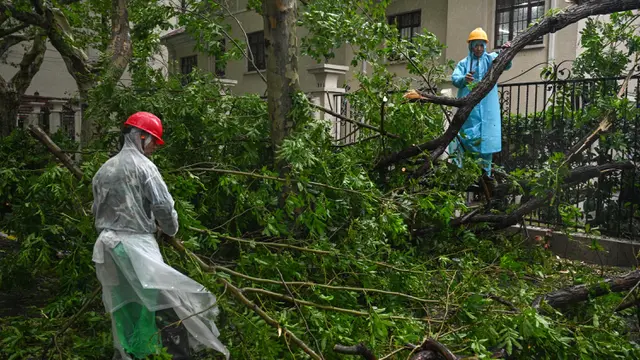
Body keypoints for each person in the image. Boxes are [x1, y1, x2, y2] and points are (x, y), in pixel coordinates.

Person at [91, 112, 229, 360]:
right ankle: (177, 356)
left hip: (107, 249)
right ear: (140, 136)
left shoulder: (104, 169)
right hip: (135, 246)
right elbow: (163, 206)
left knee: (125, 306)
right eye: (153, 140)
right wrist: (169, 229)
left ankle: (130, 354)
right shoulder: (145, 167)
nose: (155, 146)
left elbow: (97, 209)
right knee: (167, 302)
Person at [449, 27, 512, 180]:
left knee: (486, 140)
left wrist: (506, 51)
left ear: (485, 46)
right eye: (475, 45)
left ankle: (486, 175)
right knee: (465, 138)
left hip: (487, 107)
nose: (478, 48)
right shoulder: (464, 63)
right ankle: (462, 176)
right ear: (470, 46)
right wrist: (465, 78)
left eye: (481, 45)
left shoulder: (491, 59)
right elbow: (455, 79)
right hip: (470, 108)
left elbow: (507, 64)